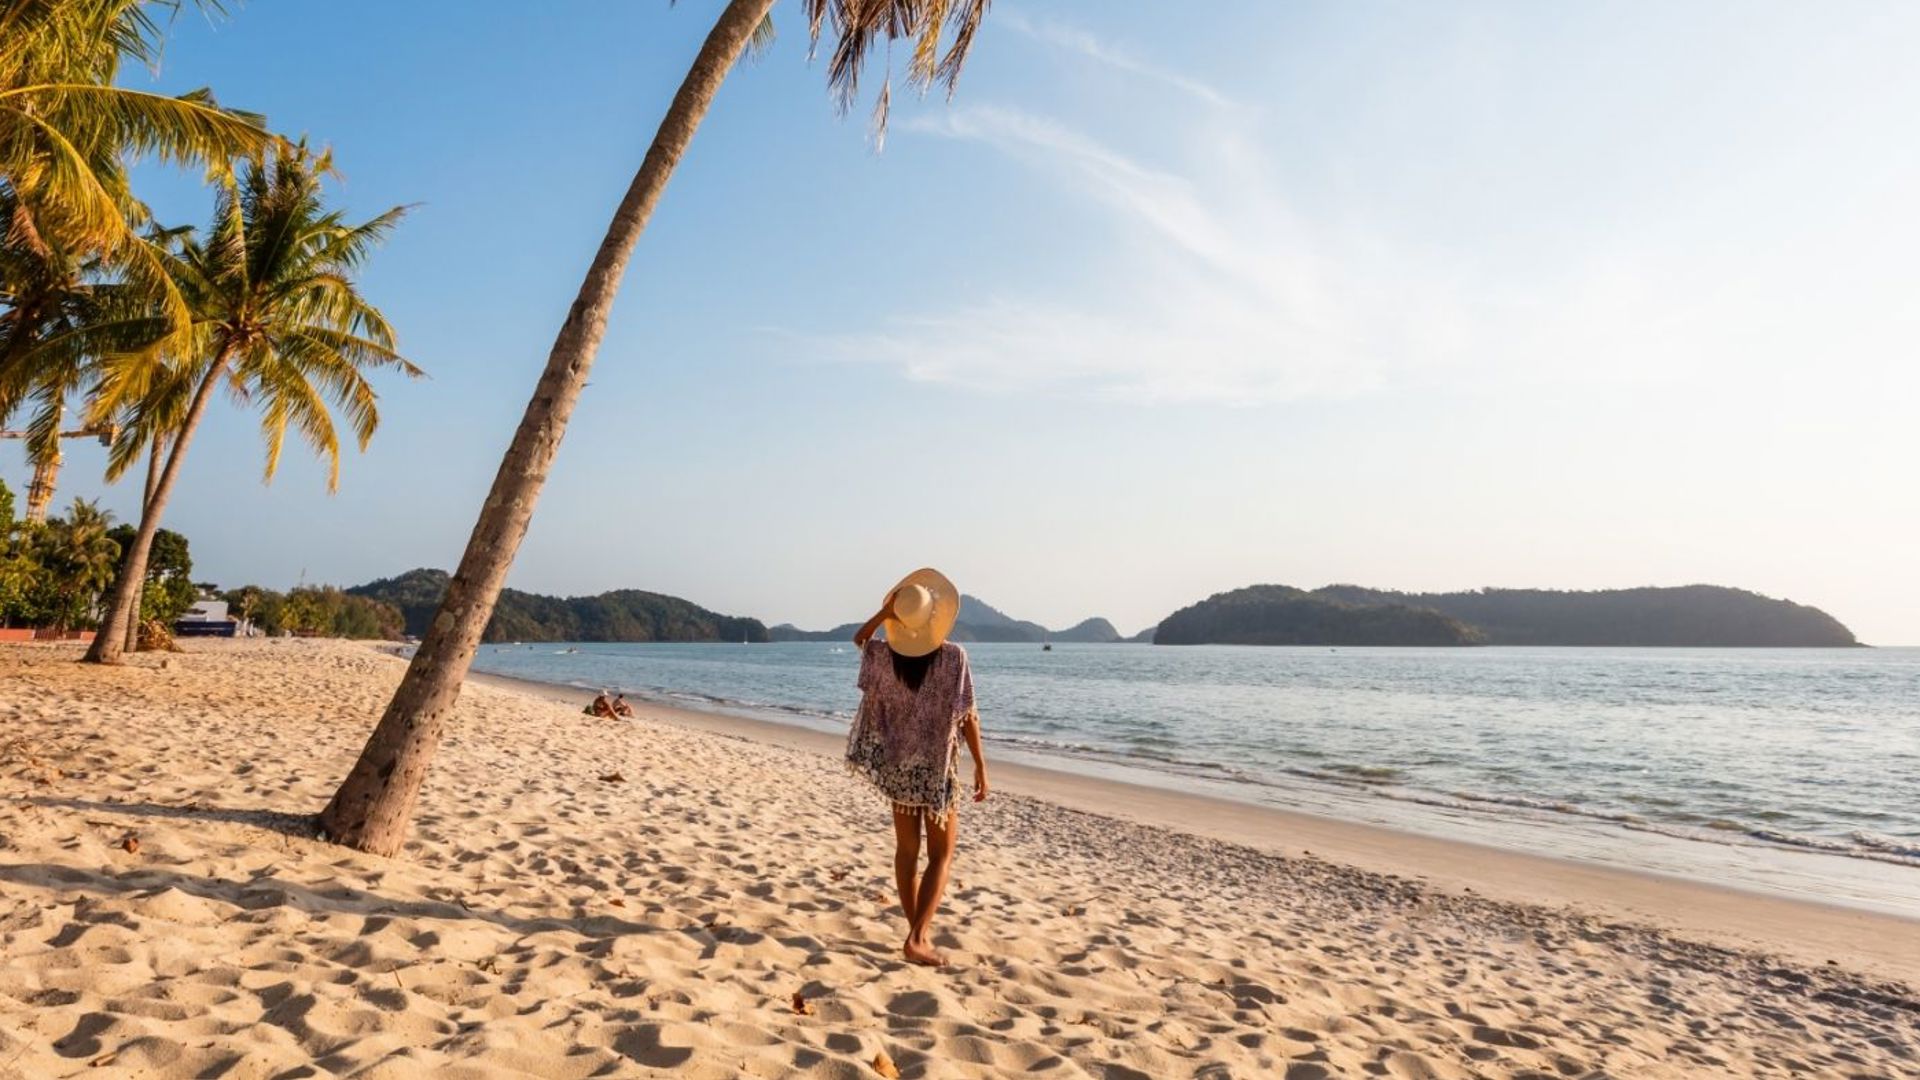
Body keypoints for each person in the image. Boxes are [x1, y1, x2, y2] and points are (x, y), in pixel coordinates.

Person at [844, 568, 989, 967]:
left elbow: (860, 639)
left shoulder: (883, 658)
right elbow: (967, 716)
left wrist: (884, 615)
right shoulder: (953, 658)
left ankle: (915, 934)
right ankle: (919, 937)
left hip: (898, 769)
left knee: (907, 853)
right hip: (937, 770)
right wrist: (980, 764)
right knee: (941, 855)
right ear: (934, 618)